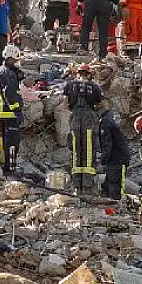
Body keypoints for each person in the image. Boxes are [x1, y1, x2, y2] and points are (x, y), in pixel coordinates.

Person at [65, 63, 103, 195]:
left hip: (74, 117)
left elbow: (65, 103)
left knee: (76, 149)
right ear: (89, 74)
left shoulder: (70, 85)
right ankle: (87, 186)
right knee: (88, 149)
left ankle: (76, 185)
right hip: (88, 118)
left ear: (78, 73)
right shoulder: (94, 86)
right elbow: (100, 104)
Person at [0, 44, 24, 174]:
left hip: (2, 112)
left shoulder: (0, 70)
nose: (17, 62)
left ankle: (8, 166)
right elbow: (10, 94)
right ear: (10, 58)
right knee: (12, 142)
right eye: (16, 60)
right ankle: (10, 169)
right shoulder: (6, 73)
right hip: (9, 113)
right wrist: (17, 111)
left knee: (7, 140)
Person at [97, 97, 130, 200]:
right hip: (118, 157)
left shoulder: (105, 123)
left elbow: (108, 144)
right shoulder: (111, 119)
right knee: (108, 183)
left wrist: (102, 161)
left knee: (115, 185)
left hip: (117, 159)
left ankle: (116, 207)